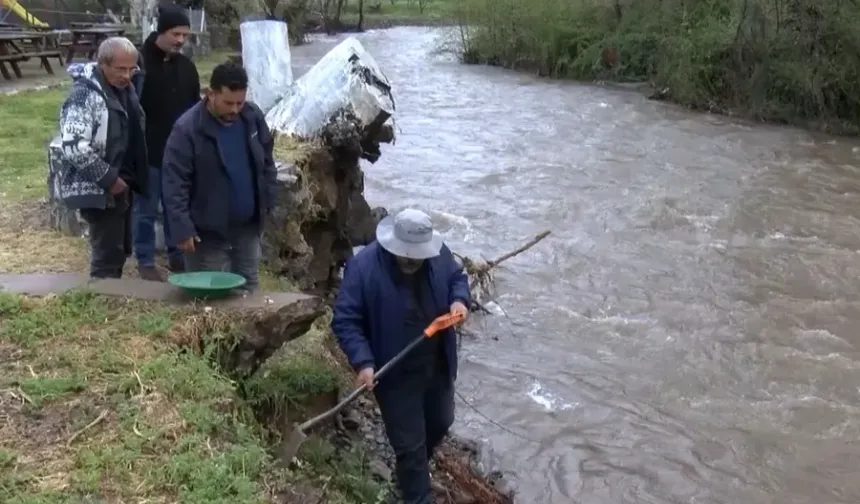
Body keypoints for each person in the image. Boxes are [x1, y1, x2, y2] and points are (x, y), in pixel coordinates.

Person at [331, 208, 471, 504]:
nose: (411, 261)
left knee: (442, 422)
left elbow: (457, 276)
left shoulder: (439, 254)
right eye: (406, 256)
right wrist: (364, 362)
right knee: (410, 447)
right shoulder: (363, 268)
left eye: (416, 257)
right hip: (394, 374)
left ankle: (409, 472)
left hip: (436, 365)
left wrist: (459, 300)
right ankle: (415, 493)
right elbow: (346, 320)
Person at [162, 62, 277, 292]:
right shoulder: (187, 130)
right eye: (228, 103)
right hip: (207, 235)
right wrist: (182, 228)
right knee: (210, 296)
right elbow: (174, 183)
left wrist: (269, 201)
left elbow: (266, 163)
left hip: (247, 229)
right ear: (210, 94)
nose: (235, 109)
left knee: (248, 290)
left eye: (240, 102)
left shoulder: (252, 117)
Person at [56, 37, 148, 279]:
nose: (128, 75)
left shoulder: (125, 90)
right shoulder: (84, 95)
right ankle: (100, 301)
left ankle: (109, 297)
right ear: (102, 64)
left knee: (119, 250)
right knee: (106, 255)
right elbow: (74, 147)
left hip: (122, 182)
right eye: (121, 68)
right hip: (100, 188)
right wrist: (109, 179)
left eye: (132, 69)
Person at [133, 4, 200, 281]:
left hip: (180, 153)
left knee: (177, 206)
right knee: (146, 209)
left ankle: (177, 257)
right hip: (147, 149)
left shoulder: (186, 66)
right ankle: (145, 261)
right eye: (176, 34)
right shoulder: (138, 62)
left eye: (185, 35)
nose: (181, 40)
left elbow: (195, 108)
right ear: (161, 31)